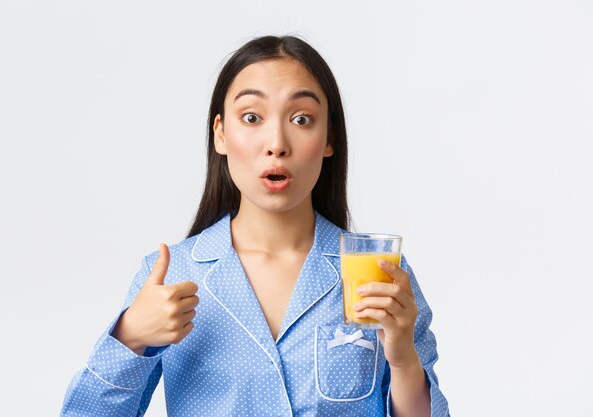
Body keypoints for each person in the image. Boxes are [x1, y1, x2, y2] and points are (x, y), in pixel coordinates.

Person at [61, 35, 449, 417]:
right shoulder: (174, 276)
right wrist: (129, 337)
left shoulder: (377, 273)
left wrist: (402, 360)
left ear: (328, 137)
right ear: (221, 134)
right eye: (251, 117)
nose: (277, 143)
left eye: (301, 119)